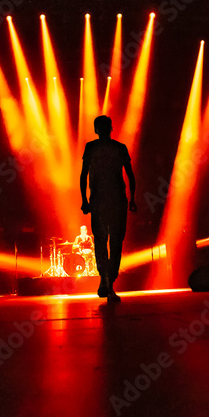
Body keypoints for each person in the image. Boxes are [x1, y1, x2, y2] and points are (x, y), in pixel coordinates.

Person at [80, 115, 136, 303]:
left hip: (102, 201)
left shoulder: (93, 148)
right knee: (112, 243)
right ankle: (108, 282)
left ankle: (106, 281)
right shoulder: (117, 148)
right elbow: (130, 175)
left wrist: (84, 200)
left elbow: (83, 175)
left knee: (104, 243)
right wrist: (133, 198)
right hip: (113, 201)